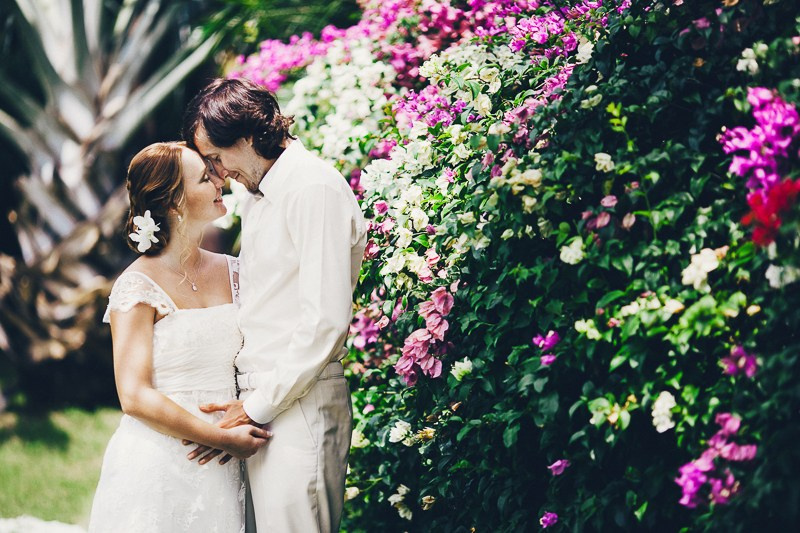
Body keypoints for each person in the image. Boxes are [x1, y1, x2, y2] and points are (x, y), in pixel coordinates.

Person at [182, 78, 367, 532]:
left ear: (245, 137)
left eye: (216, 158)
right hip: (267, 403)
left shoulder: (312, 189)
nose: (219, 174)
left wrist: (256, 407)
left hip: (297, 405)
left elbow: (325, 322)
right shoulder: (261, 194)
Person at [88, 141, 270, 532]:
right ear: (173, 203)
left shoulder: (237, 271)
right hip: (161, 463)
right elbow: (134, 395)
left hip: (231, 462)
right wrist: (219, 438)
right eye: (206, 177)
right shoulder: (137, 286)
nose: (219, 180)